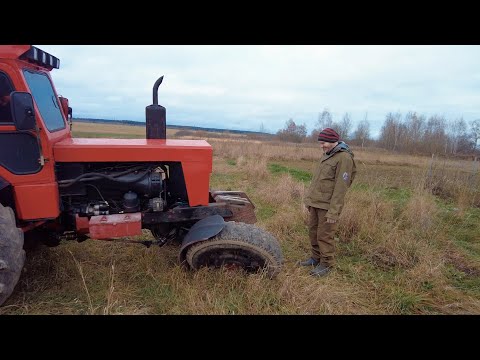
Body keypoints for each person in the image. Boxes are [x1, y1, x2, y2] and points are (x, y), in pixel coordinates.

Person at [300, 127, 356, 277]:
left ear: (333, 141)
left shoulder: (344, 158)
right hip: (316, 203)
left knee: (325, 235)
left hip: (328, 206)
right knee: (313, 232)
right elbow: (318, 181)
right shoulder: (327, 155)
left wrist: (334, 211)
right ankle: (315, 258)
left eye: (324, 142)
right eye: (320, 142)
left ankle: (326, 264)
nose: (322, 145)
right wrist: (308, 200)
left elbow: (341, 187)